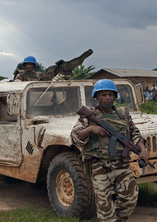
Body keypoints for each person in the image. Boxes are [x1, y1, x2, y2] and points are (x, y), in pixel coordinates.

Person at [71, 79, 148, 222]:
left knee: (129, 201)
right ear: (97, 96)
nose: (107, 98)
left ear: (115, 96)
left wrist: (143, 151)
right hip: (100, 166)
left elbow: (135, 134)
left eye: (110, 95)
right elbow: (75, 137)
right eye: (104, 95)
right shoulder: (88, 115)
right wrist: (90, 129)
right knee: (105, 209)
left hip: (122, 166)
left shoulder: (123, 114)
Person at [14, 49, 93, 82]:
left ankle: (63, 68)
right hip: (25, 98)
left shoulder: (38, 75)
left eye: (30, 64)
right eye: (27, 64)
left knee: (53, 71)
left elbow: (47, 77)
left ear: (33, 65)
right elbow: (16, 86)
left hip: (40, 97)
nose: (29, 66)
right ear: (25, 65)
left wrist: (58, 73)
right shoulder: (20, 75)